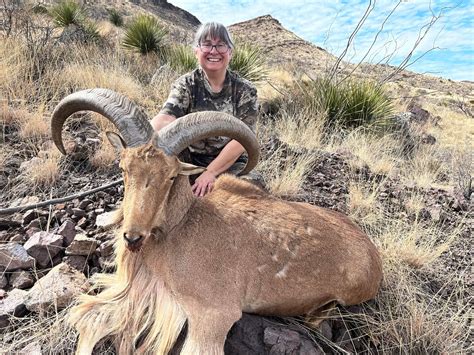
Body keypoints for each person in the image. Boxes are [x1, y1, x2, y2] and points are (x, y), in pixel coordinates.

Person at [151, 22, 258, 197]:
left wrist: (210, 172)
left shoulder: (245, 91)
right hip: (188, 162)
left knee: (248, 195)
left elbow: (242, 139)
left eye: (221, 45)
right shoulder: (185, 85)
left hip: (230, 164)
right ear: (196, 51)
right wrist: (141, 143)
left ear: (230, 52)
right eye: (207, 44)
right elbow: (167, 118)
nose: (214, 51)